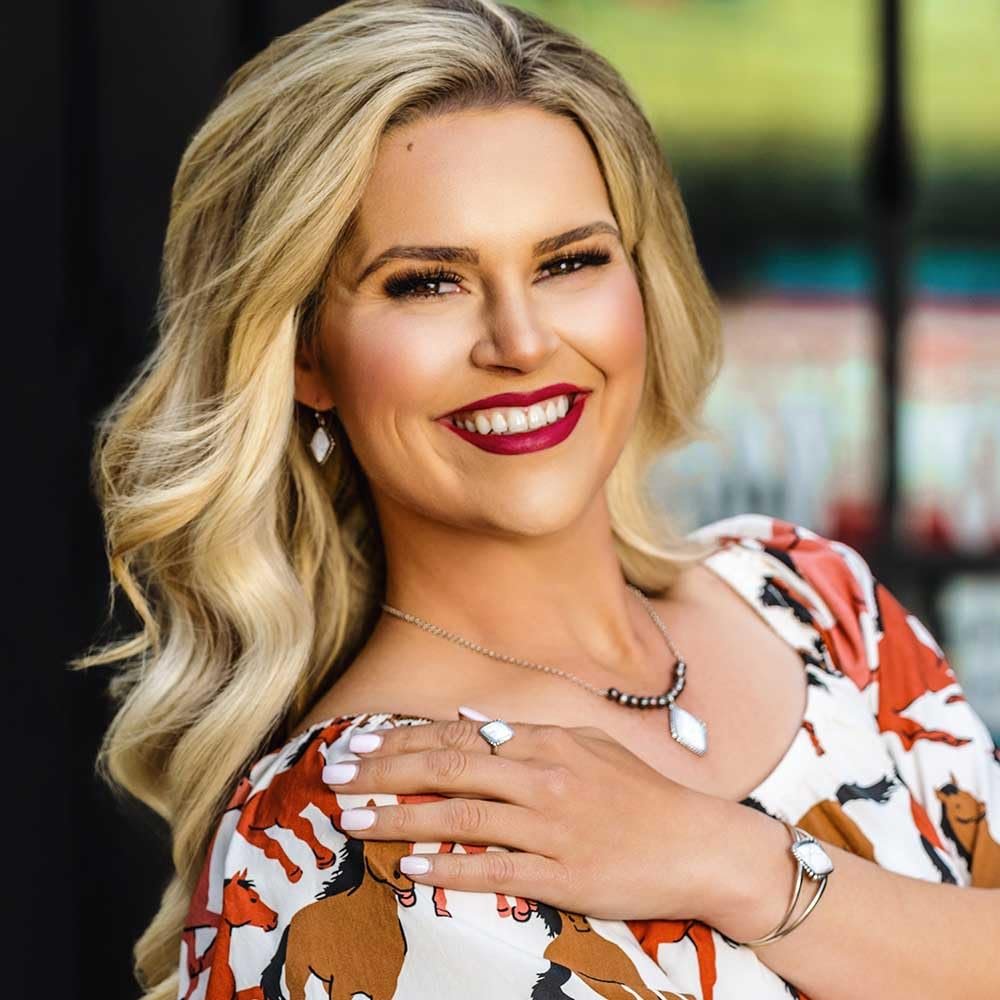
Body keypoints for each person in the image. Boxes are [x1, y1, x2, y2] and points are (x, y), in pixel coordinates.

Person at [74, 2, 1000, 998]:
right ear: (305, 354)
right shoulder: (345, 831)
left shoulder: (811, 602)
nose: (519, 342)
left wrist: (739, 864)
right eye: (426, 283)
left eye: (568, 262)